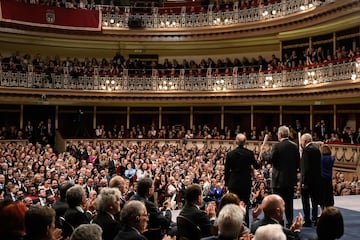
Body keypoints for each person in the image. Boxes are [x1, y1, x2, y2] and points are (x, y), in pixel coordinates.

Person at [267, 126, 300, 228]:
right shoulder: (294, 146)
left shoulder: (276, 146)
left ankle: (279, 222)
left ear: (280, 135)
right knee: (289, 202)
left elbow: (271, 159)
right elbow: (298, 162)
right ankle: (290, 222)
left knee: (278, 203)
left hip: (278, 181)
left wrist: (264, 153)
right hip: (290, 179)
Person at [225, 133, 261, 225]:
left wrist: (226, 183)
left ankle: (234, 225)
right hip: (245, 183)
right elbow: (257, 166)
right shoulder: (249, 153)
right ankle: (245, 225)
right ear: (245, 142)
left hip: (233, 183)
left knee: (234, 205)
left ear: (236, 142)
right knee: (245, 204)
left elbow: (226, 171)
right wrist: (259, 160)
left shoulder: (230, 154)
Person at [300, 133, 321, 227]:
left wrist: (303, 181)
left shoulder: (306, 151)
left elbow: (305, 168)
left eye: (301, 141)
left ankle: (307, 220)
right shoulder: (317, 149)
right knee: (315, 201)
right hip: (316, 180)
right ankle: (315, 219)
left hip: (307, 180)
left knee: (305, 201)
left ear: (304, 141)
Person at [319, 144, 335, 209]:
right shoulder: (332, 158)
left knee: (322, 195)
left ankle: (322, 211)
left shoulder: (320, 158)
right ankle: (329, 209)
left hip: (321, 178)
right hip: (329, 178)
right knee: (329, 194)